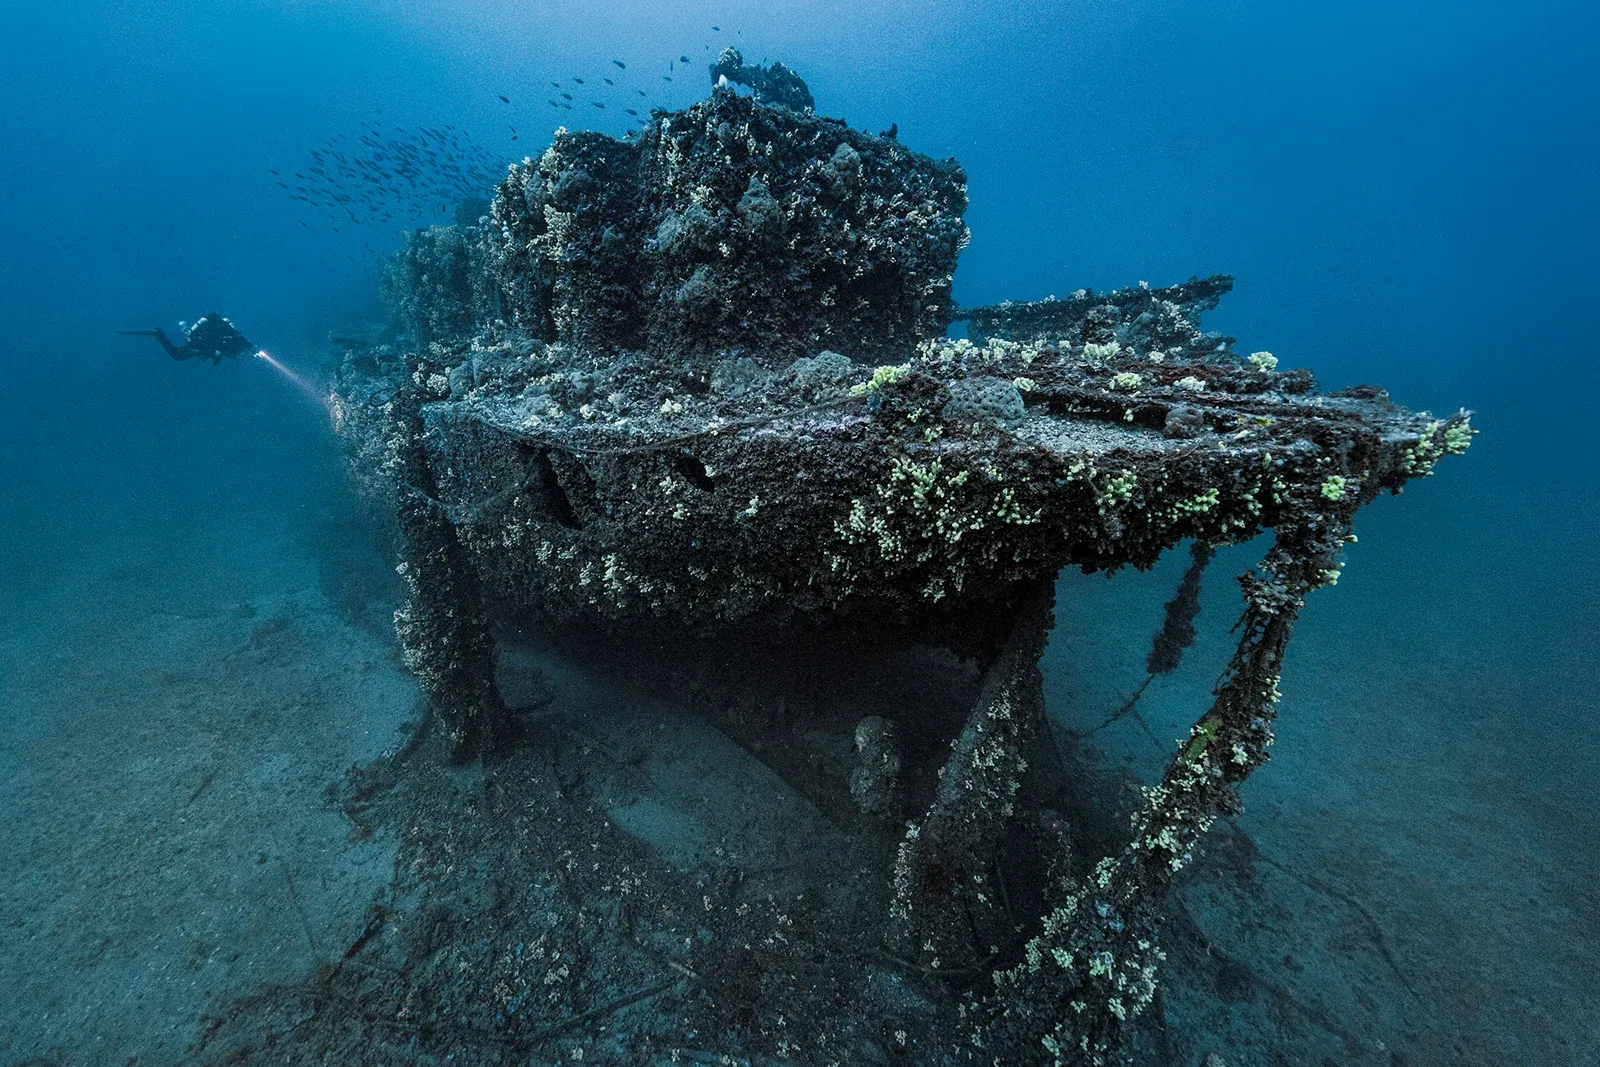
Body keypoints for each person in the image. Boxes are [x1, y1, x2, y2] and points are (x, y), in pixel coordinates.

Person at [119, 313, 255, 364]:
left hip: (201, 342)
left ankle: (159, 334)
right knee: (178, 355)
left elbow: (246, 343)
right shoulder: (230, 340)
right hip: (200, 343)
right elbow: (218, 354)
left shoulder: (234, 337)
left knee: (180, 354)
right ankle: (158, 334)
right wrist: (215, 360)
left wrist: (253, 350)